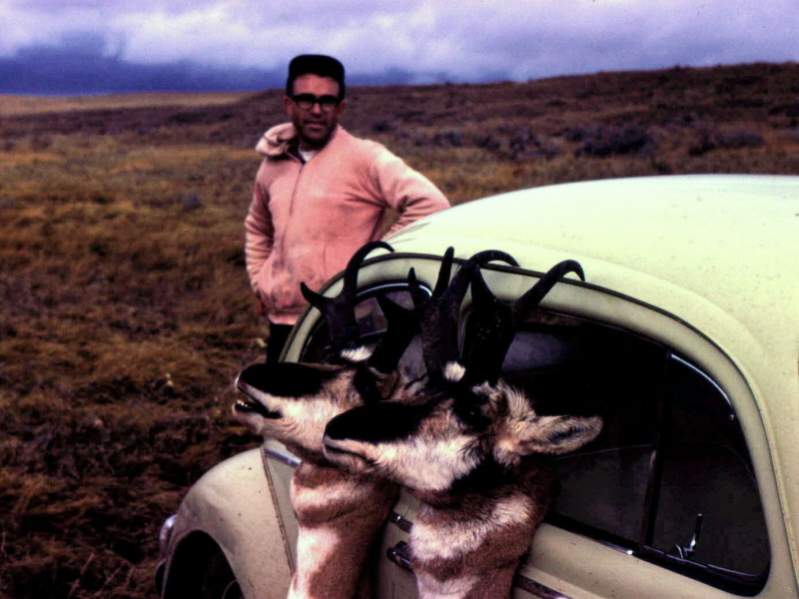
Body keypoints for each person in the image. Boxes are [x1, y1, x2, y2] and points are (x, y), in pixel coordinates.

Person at [244, 54, 450, 362]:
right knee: (283, 408)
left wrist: (371, 265)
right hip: (284, 324)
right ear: (288, 104)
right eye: (306, 100)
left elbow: (432, 204)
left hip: (347, 325)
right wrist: (261, 280)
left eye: (327, 101)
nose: (316, 110)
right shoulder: (273, 164)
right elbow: (258, 226)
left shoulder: (365, 158)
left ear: (340, 108)